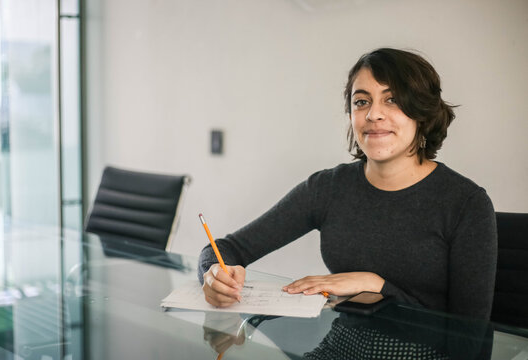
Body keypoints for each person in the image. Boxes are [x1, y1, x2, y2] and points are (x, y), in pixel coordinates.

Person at [198, 48, 497, 320]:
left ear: (423, 113)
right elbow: (225, 249)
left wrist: (376, 285)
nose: (373, 114)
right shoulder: (328, 188)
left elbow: (470, 340)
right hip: (339, 346)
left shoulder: (466, 204)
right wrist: (213, 276)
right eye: (361, 102)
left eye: (392, 100)